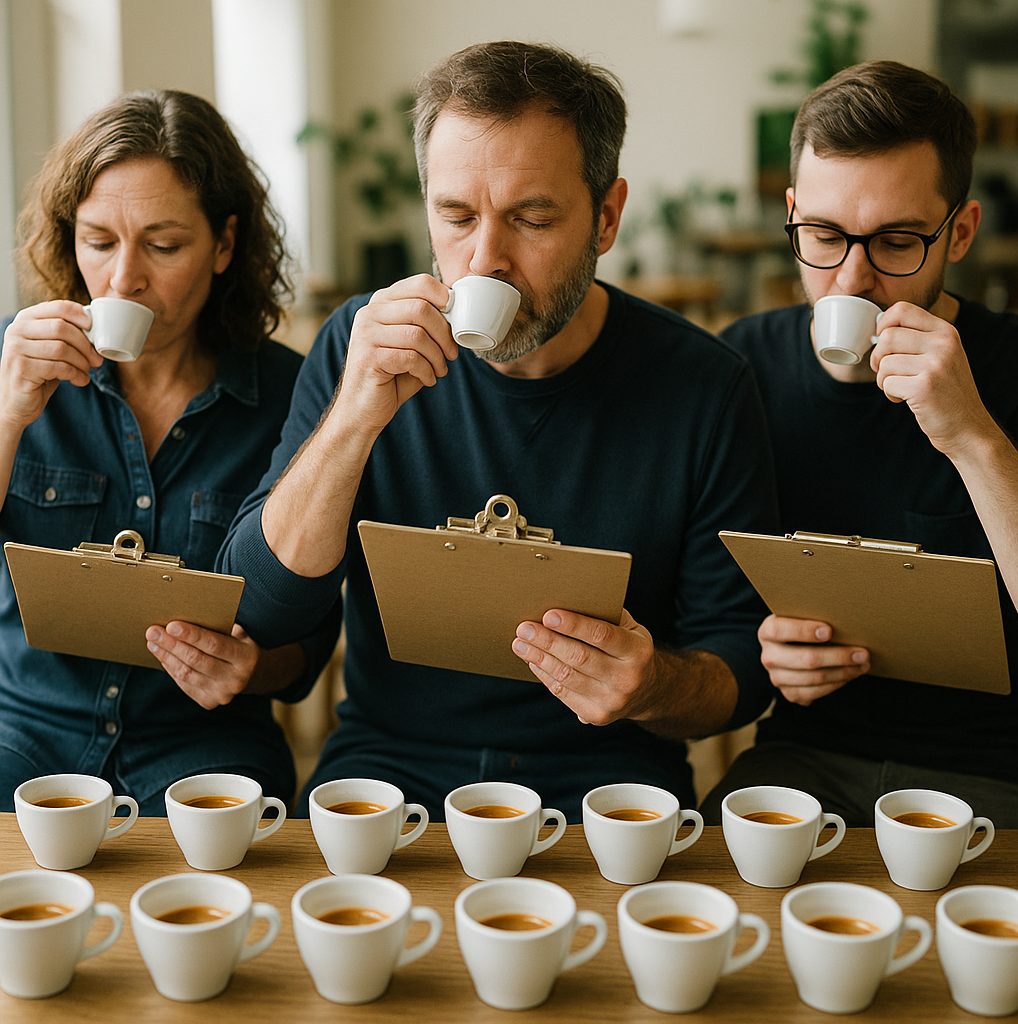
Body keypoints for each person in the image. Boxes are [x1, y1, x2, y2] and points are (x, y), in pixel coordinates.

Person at [219, 41, 778, 822]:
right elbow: (262, 610)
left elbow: (740, 670)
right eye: (455, 217)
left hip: (608, 784)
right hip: (387, 769)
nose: (485, 260)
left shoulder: (705, 388)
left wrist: (651, 686)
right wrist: (354, 416)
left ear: (607, 216)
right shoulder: (361, 347)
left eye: (532, 218)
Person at [702, 61, 1018, 826]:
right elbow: (706, 608)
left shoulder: (1011, 365)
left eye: (896, 242)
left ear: (962, 232)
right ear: (791, 213)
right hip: (805, 758)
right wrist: (762, 651)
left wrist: (972, 436)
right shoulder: (739, 367)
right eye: (823, 236)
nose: (851, 280)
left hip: (1003, 773)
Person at [0, 90, 340, 814]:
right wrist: (8, 419)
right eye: (99, 241)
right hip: (22, 731)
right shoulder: (16, 364)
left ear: (223, 245)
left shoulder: (288, 395)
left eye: (163, 245)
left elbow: (308, 647)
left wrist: (249, 670)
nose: (125, 279)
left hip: (204, 742)